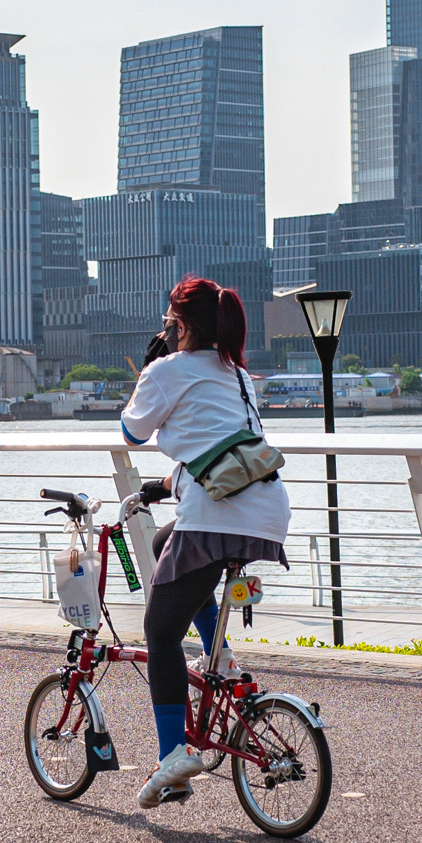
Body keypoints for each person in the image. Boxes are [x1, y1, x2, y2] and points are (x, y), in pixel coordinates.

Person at [118, 275, 290, 809]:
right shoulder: (236, 373)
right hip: (267, 506)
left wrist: (148, 371)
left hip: (216, 514)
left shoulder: (167, 370)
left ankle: (173, 754)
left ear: (181, 324)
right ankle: (224, 657)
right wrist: (168, 483)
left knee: (160, 631)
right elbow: (218, 443)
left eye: (169, 321)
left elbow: (132, 431)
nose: (166, 329)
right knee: (164, 544)